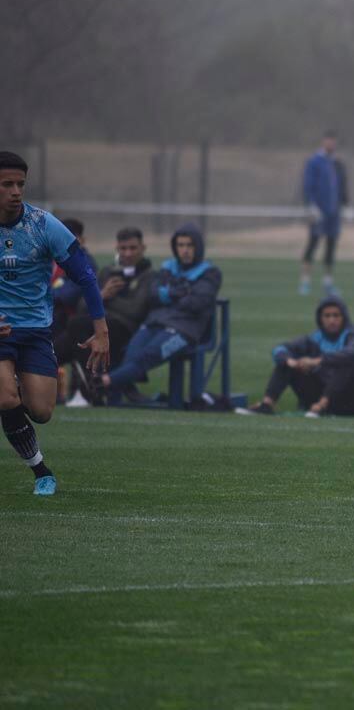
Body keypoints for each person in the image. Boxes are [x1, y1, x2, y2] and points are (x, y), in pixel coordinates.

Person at [0, 151, 109, 496]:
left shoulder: (43, 225)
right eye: (7, 184)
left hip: (34, 331)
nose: (16, 191)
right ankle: (41, 472)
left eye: (20, 184)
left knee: (42, 411)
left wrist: (101, 331)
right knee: (5, 397)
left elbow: (86, 277)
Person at [97, 223, 221, 404]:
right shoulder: (168, 268)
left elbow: (196, 302)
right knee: (132, 354)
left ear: (198, 247)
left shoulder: (210, 273)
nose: (185, 250)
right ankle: (117, 396)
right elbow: (154, 294)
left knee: (148, 356)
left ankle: (104, 382)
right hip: (155, 323)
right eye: (180, 245)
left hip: (184, 331)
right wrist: (182, 292)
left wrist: (169, 293)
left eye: (189, 245)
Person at [56, 226, 155, 405]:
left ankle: (86, 389)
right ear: (117, 248)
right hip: (96, 326)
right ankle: (31, 386)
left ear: (143, 248)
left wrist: (104, 300)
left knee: (76, 326)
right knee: (56, 347)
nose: (128, 253)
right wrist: (102, 295)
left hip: (125, 329)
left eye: (133, 248)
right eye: (123, 248)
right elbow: (82, 306)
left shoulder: (149, 275)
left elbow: (135, 310)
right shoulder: (108, 272)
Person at [237, 296, 354, 417]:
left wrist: (317, 361)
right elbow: (280, 349)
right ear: (320, 318)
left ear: (344, 317)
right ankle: (267, 405)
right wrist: (289, 361)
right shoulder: (314, 338)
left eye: (336, 315)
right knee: (286, 363)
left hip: (351, 397)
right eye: (327, 316)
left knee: (346, 362)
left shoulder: (353, 335)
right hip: (320, 392)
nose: (332, 320)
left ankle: (322, 405)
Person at [299, 130, 347, 296]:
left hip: (333, 213)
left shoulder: (337, 163)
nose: (331, 144)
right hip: (318, 212)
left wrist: (344, 205)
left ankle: (327, 282)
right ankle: (305, 282)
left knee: (331, 247)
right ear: (323, 142)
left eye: (334, 141)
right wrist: (311, 206)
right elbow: (308, 185)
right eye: (329, 141)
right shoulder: (314, 161)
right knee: (312, 244)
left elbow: (342, 186)